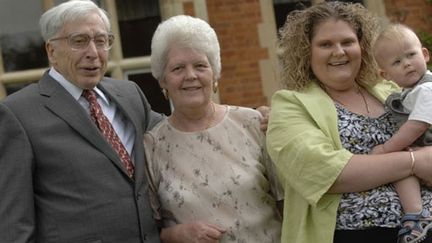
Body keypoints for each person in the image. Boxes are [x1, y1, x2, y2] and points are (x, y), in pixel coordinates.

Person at [266, 2, 432, 243]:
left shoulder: (392, 90)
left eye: (347, 42)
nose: (339, 51)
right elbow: (327, 173)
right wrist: (416, 161)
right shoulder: (291, 104)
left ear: (361, 46)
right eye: (325, 44)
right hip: (357, 234)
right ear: (306, 51)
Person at [0, 0, 163, 242]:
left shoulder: (130, 95)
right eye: (79, 41)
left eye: (101, 40)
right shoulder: (17, 115)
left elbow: (176, 134)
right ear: (51, 51)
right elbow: (14, 226)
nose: (93, 53)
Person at [144, 15, 283, 243]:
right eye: (178, 68)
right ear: (162, 81)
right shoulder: (151, 146)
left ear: (215, 73)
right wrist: (174, 235)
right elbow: (145, 230)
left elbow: (288, 205)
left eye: (200, 66)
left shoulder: (253, 124)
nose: (191, 76)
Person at [372, 23, 432, 243]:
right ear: (385, 74)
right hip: (422, 149)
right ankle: (416, 214)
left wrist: (387, 148)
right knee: (401, 167)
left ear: (424, 54)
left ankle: (416, 214)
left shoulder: (427, 89)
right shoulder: (408, 92)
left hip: (426, 143)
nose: (407, 64)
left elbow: (417, 125)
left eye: (411, 55)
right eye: (397, 62)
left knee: (399, 161)